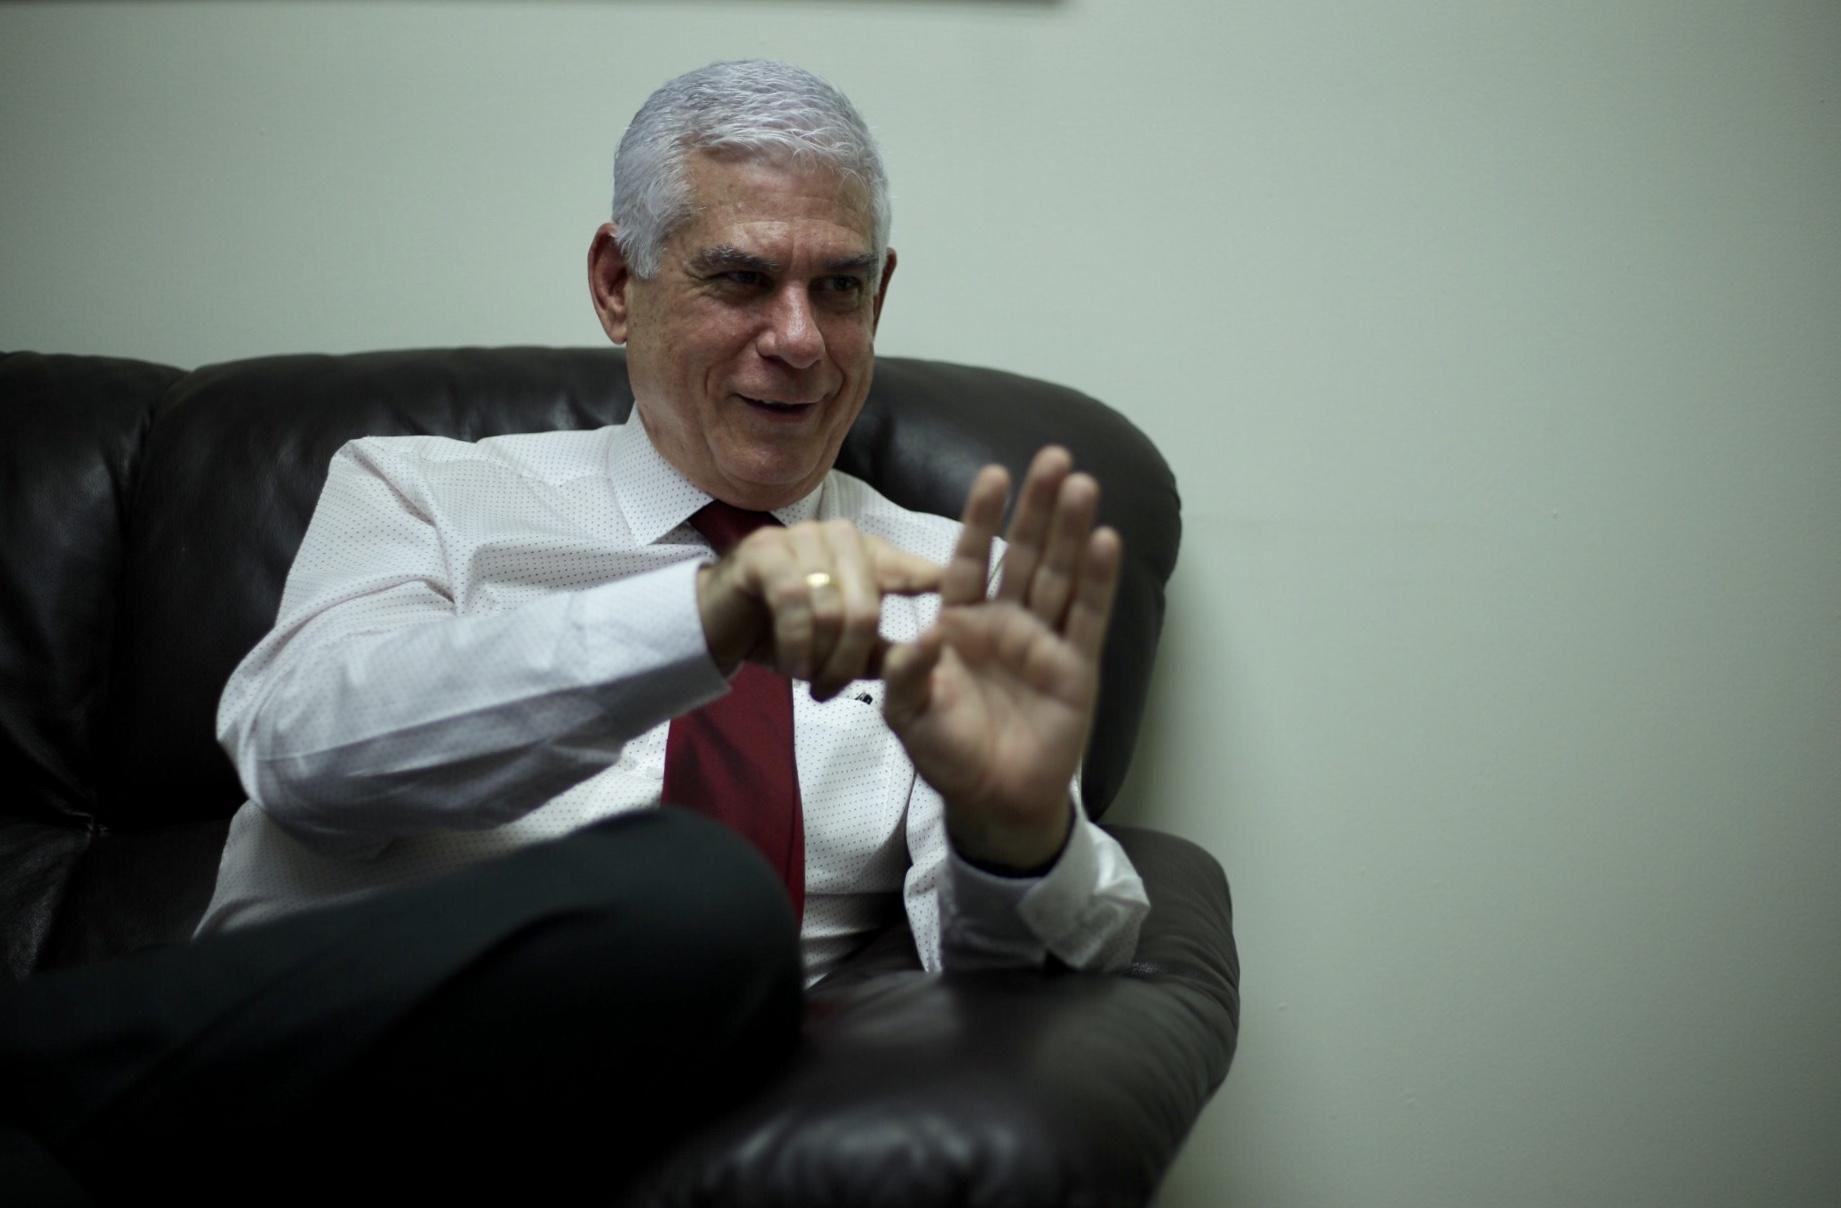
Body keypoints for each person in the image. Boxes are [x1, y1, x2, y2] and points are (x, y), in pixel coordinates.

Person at [0, 60, 1147, 1198]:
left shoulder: (953, 580)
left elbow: (1017, 977)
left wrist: (1018, 828)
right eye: (740, 278)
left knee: (705, 903)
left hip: (633, 1125)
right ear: (616, 282)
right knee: (696, 889)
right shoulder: (421, 493)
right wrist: (695, 620)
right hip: (280, 1115)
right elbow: (305, 759)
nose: (798, 339)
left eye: (839, 289)